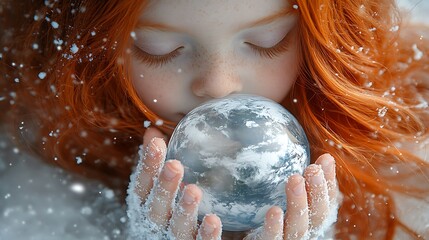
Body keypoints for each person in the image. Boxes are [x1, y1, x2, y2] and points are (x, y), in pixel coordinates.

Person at [1, 0, 428, 239]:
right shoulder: (27, 173)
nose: (220, 86)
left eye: (268, 41)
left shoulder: (408, 159)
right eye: (159, 47)